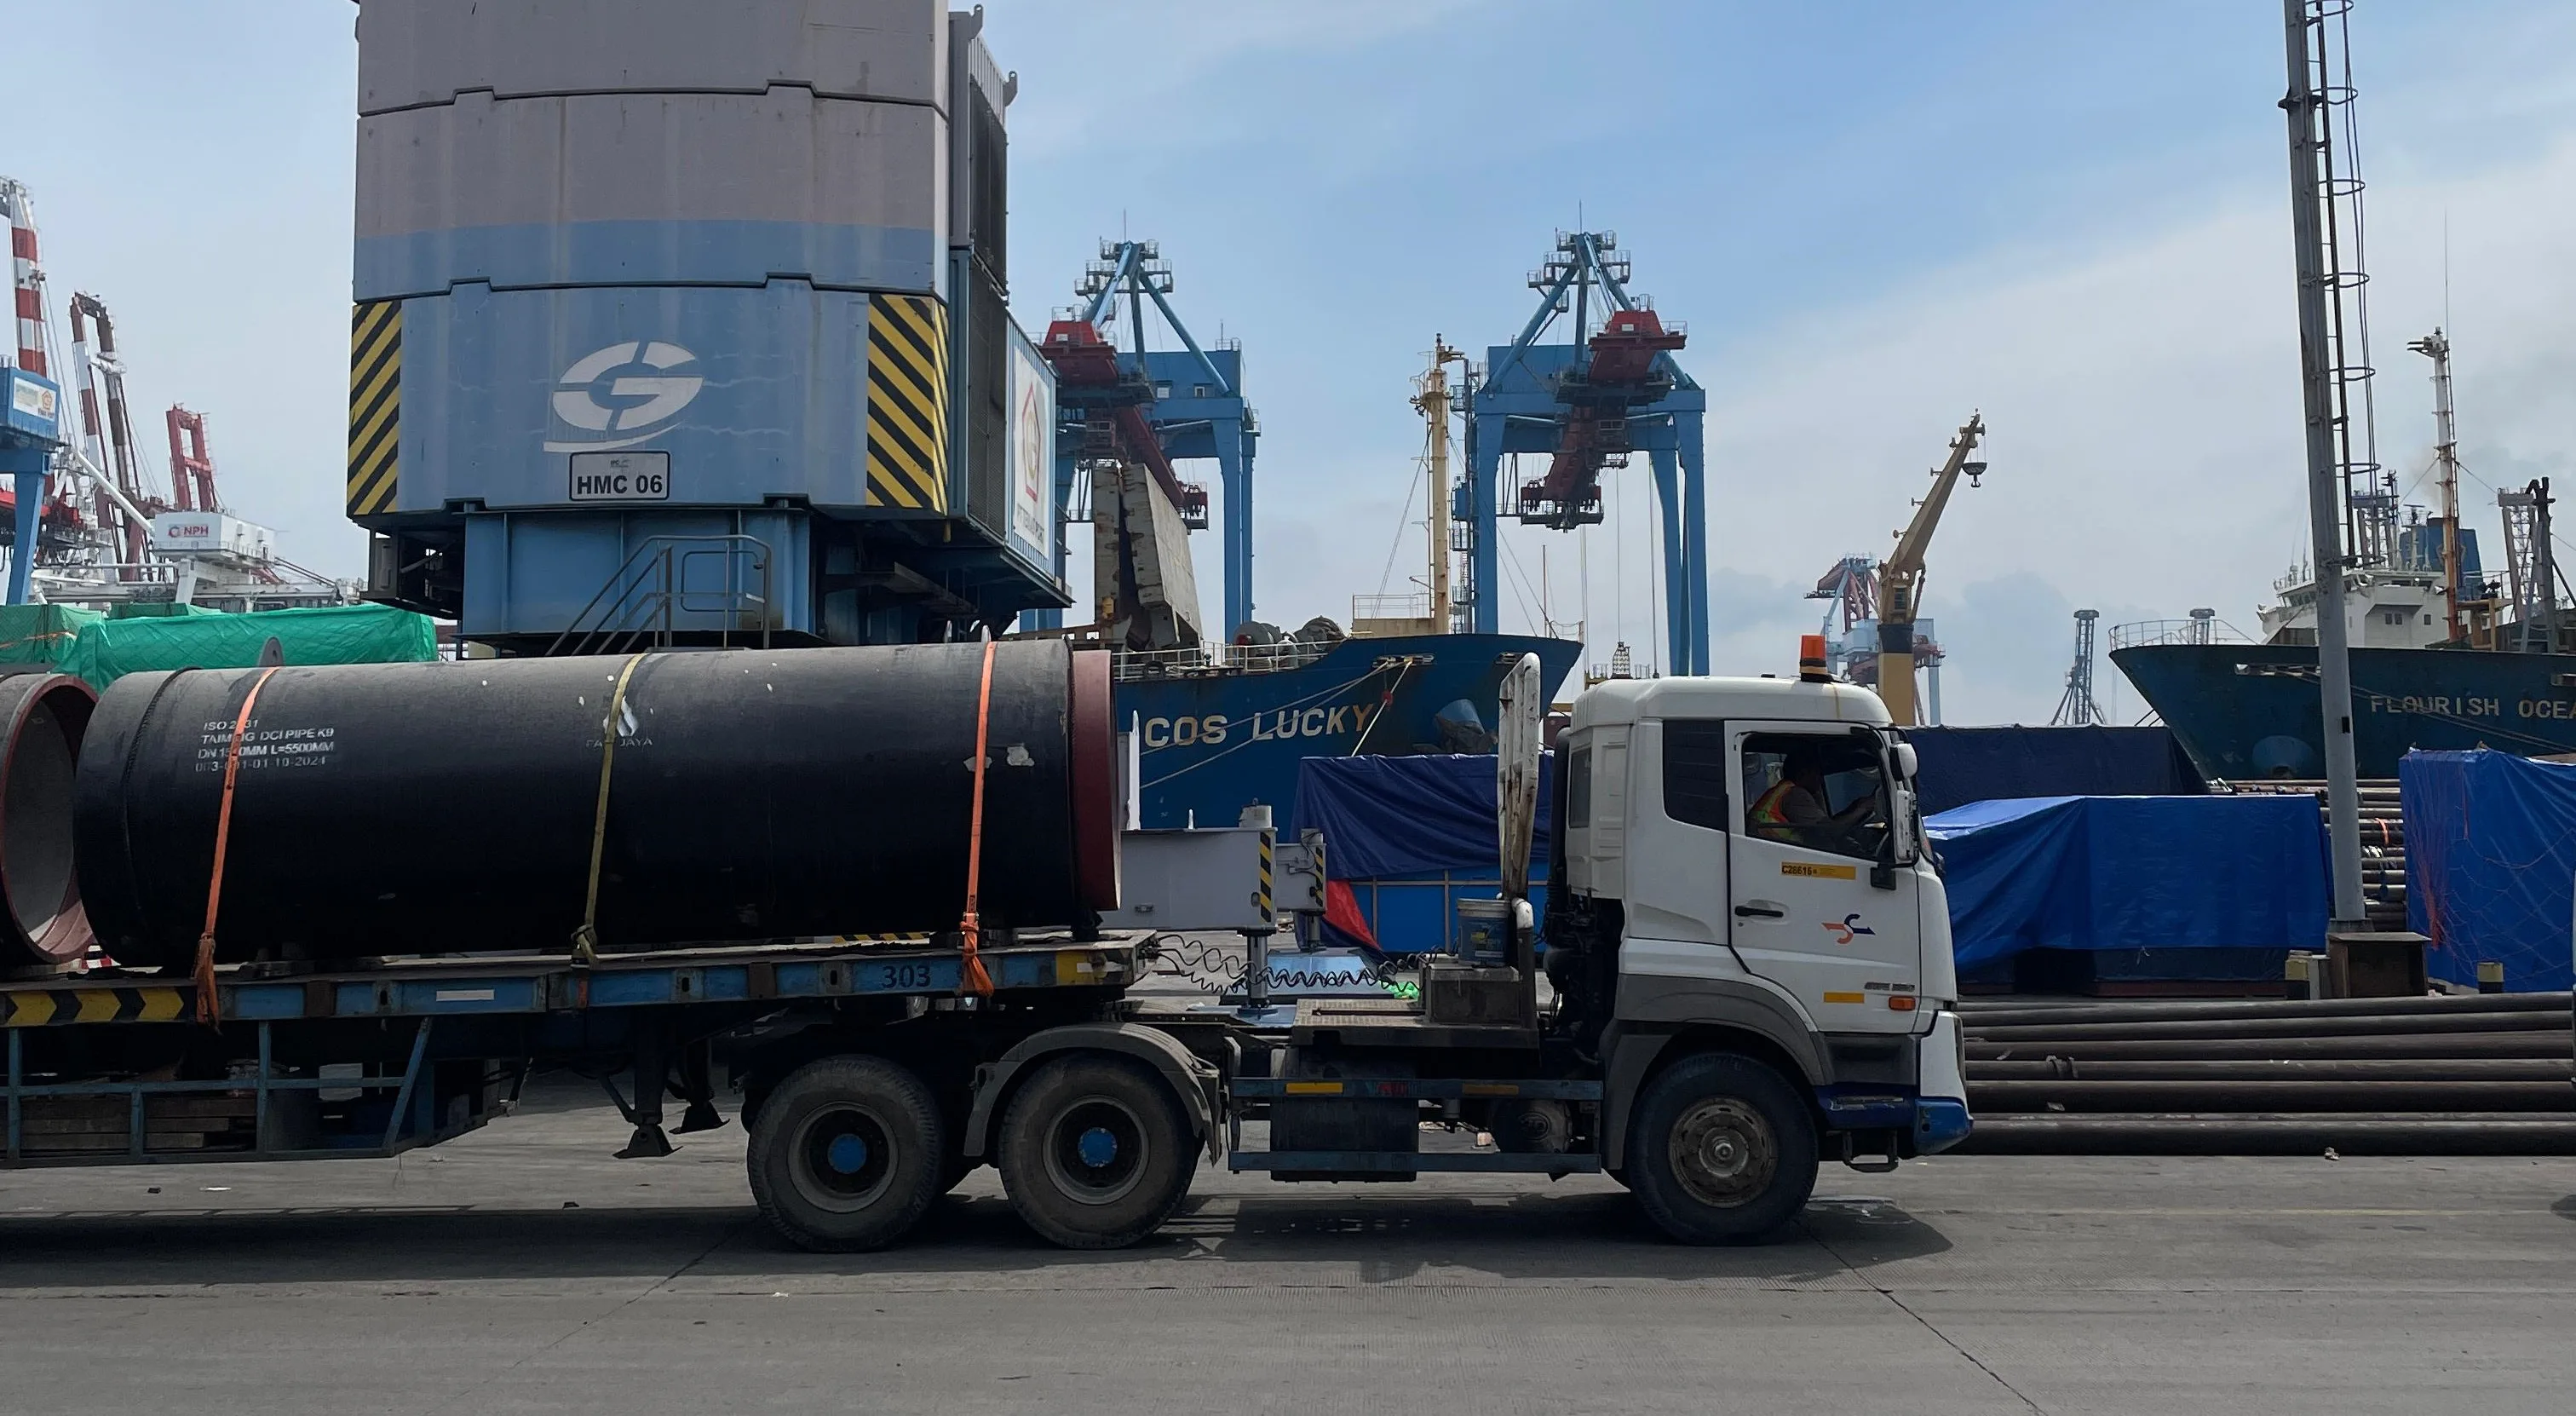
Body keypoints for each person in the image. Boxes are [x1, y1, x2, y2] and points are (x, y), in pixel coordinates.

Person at [1748, 745, 1877, 851]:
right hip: (1780, 859)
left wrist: (1853, 808)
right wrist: (1862, 809)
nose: (1820, 780)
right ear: (1803, 774)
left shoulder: (1782, 791)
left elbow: (1825, 824)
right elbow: (1828, 831)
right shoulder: (1795, 795)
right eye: (1817, 774)